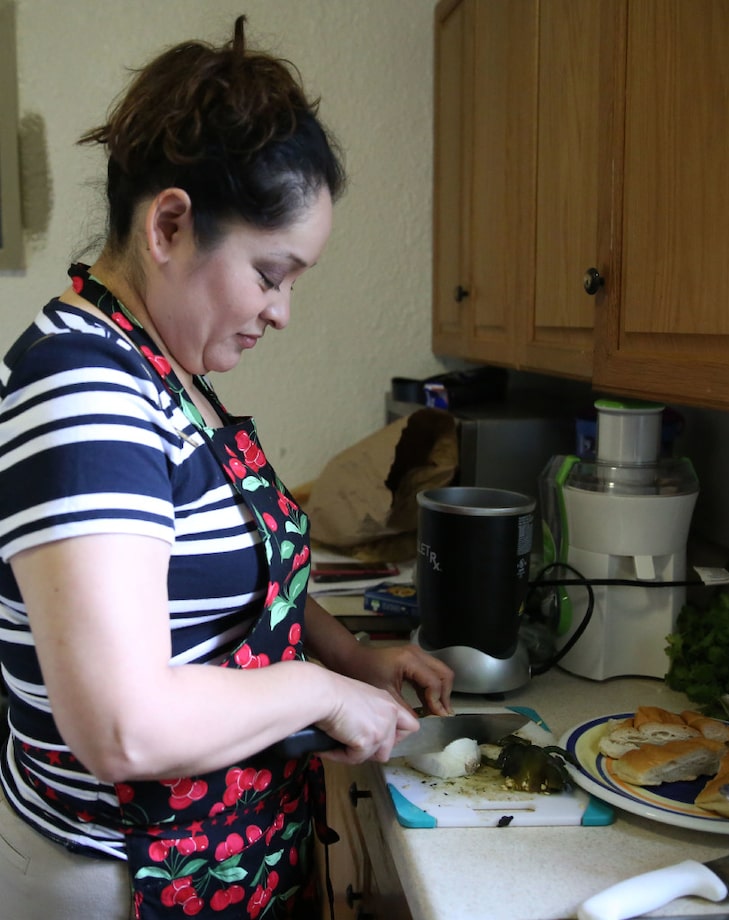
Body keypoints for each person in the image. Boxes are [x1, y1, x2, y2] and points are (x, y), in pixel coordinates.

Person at [0, 17, 453, 920]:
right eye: (271, 273)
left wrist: (350, 654)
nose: (282, 312)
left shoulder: (166, 372)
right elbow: (124, 727)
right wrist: (323, 694)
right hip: (122, 875)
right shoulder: (84, 388)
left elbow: (223, 577)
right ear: (170, 223)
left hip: (217, 853)